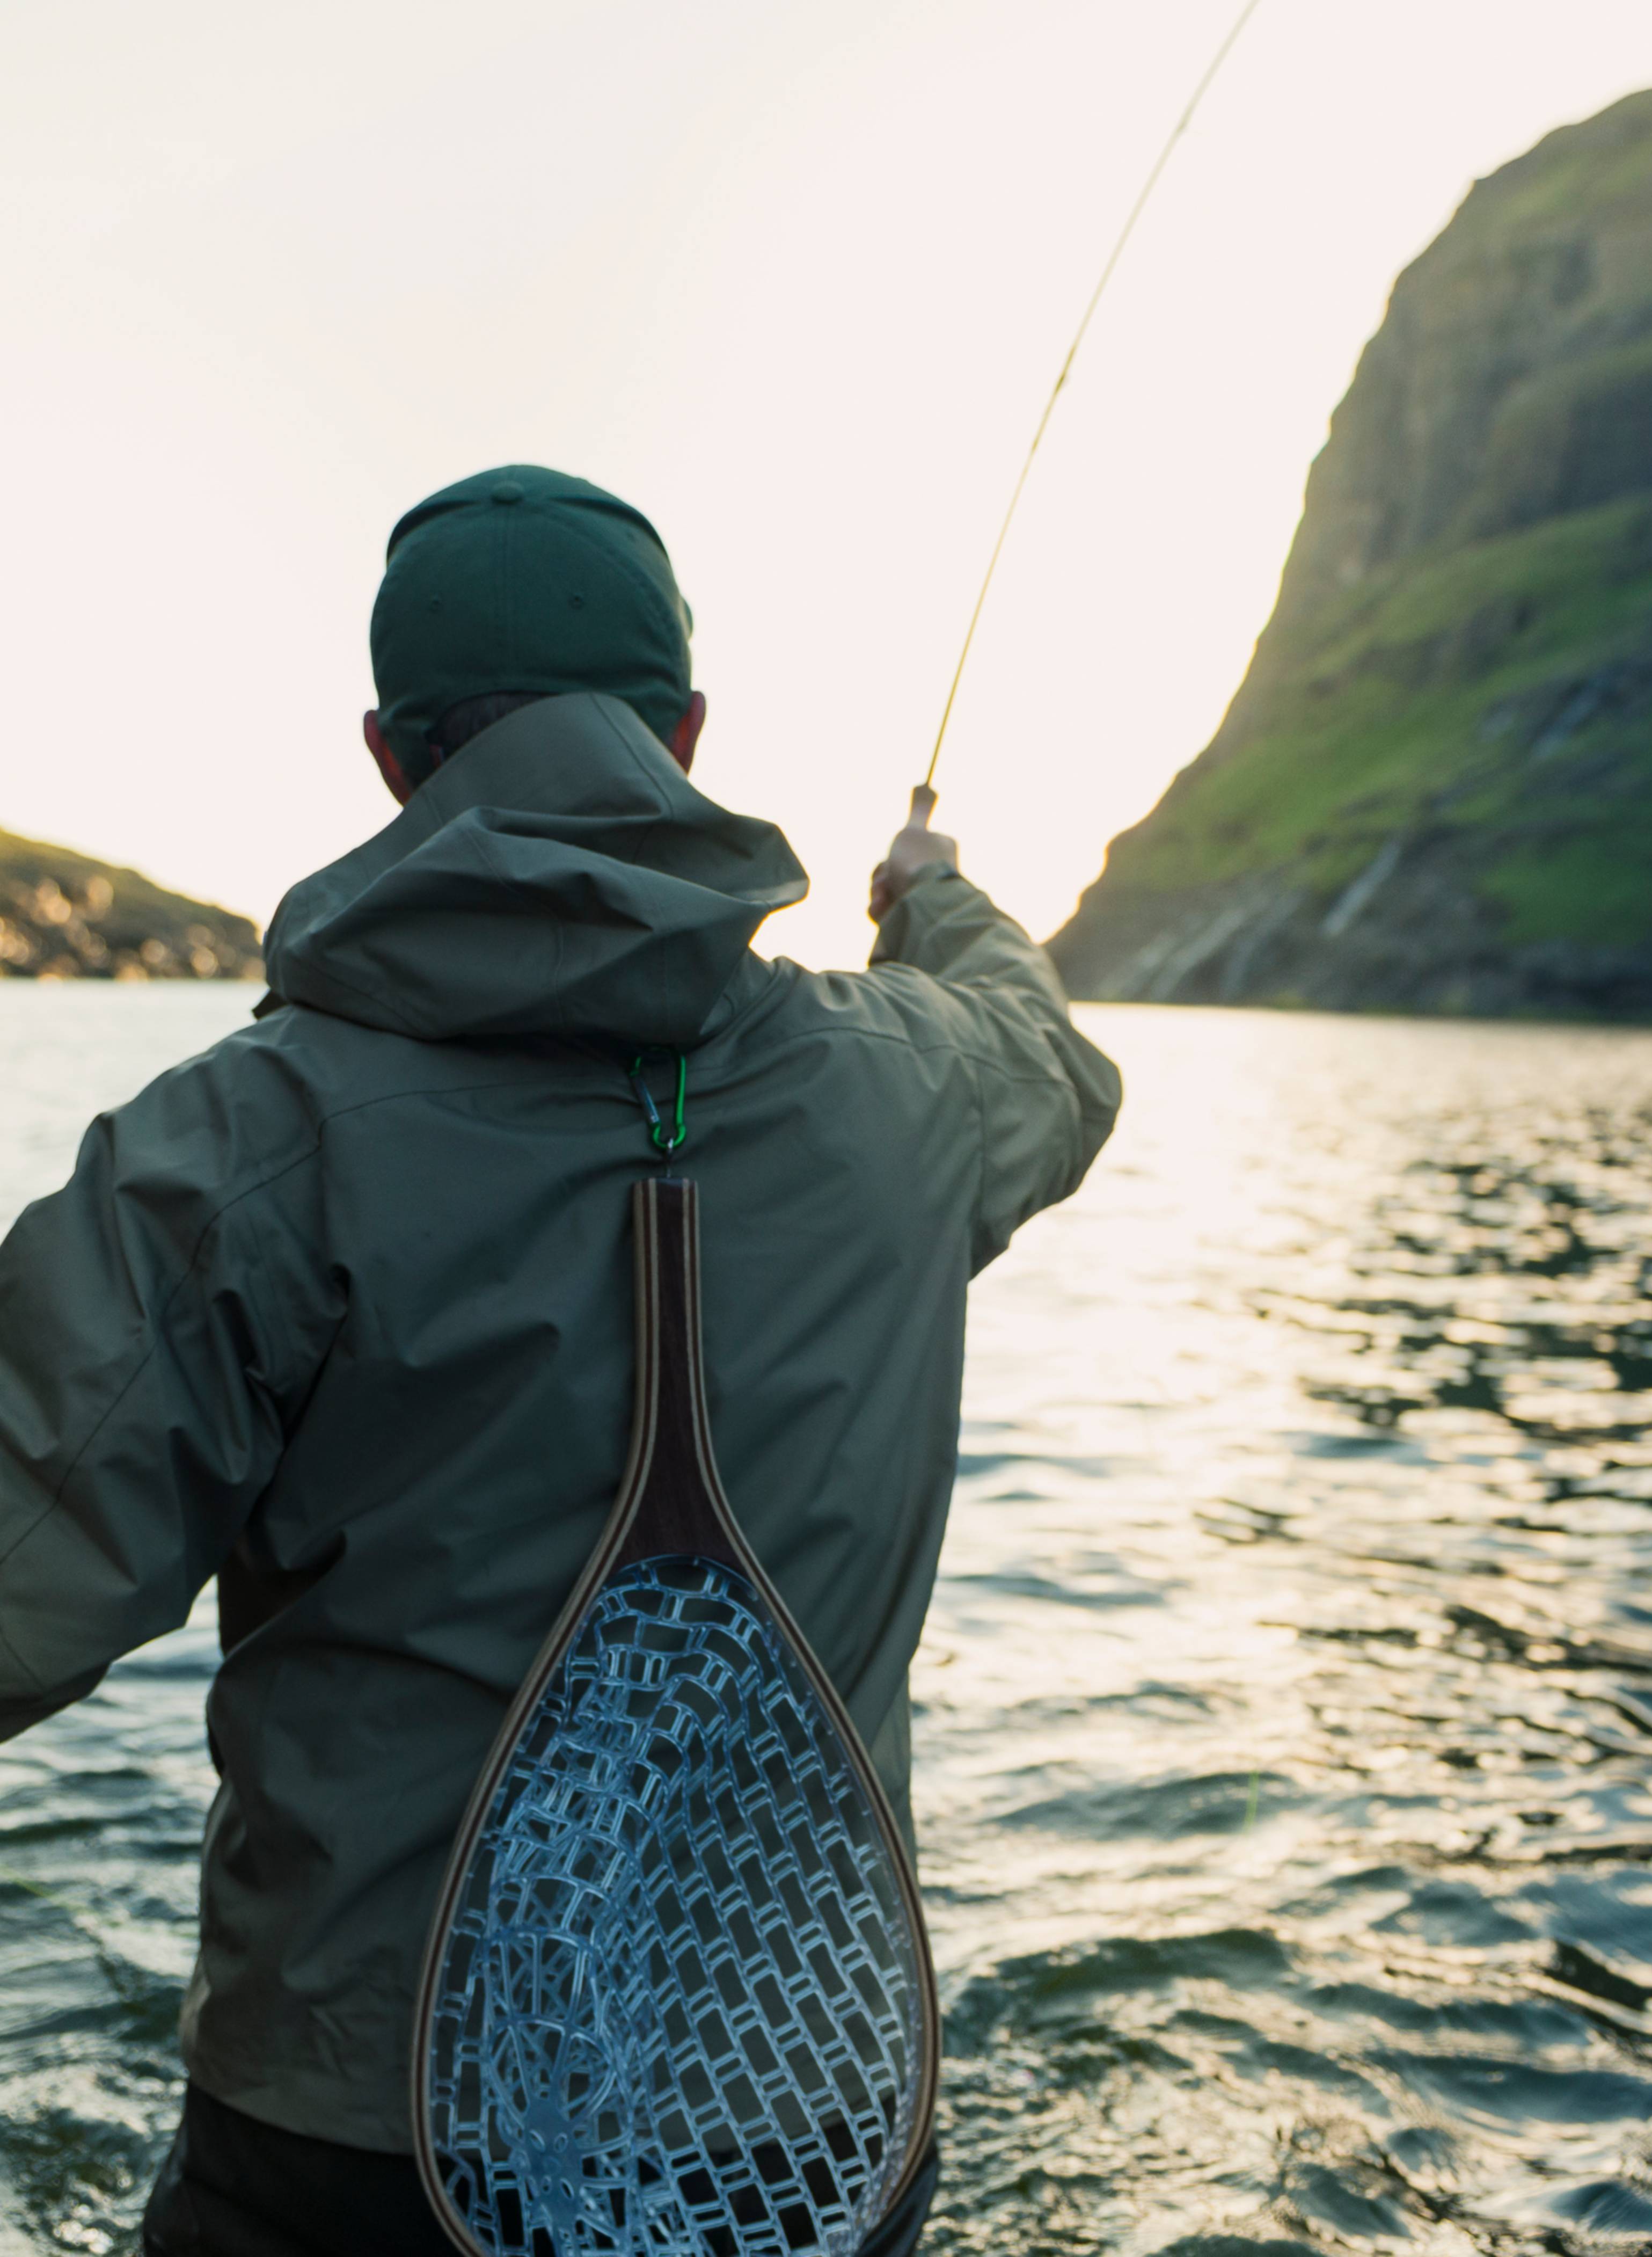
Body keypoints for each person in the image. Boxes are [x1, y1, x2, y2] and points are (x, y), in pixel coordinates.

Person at [0, 465, 1121, 2254]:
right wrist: (939, 898)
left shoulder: (237, 1149)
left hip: (356, 2154)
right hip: (807, 2144)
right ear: (685, 734)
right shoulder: (917, 1086)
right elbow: (1050, 1058)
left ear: (389, 757)